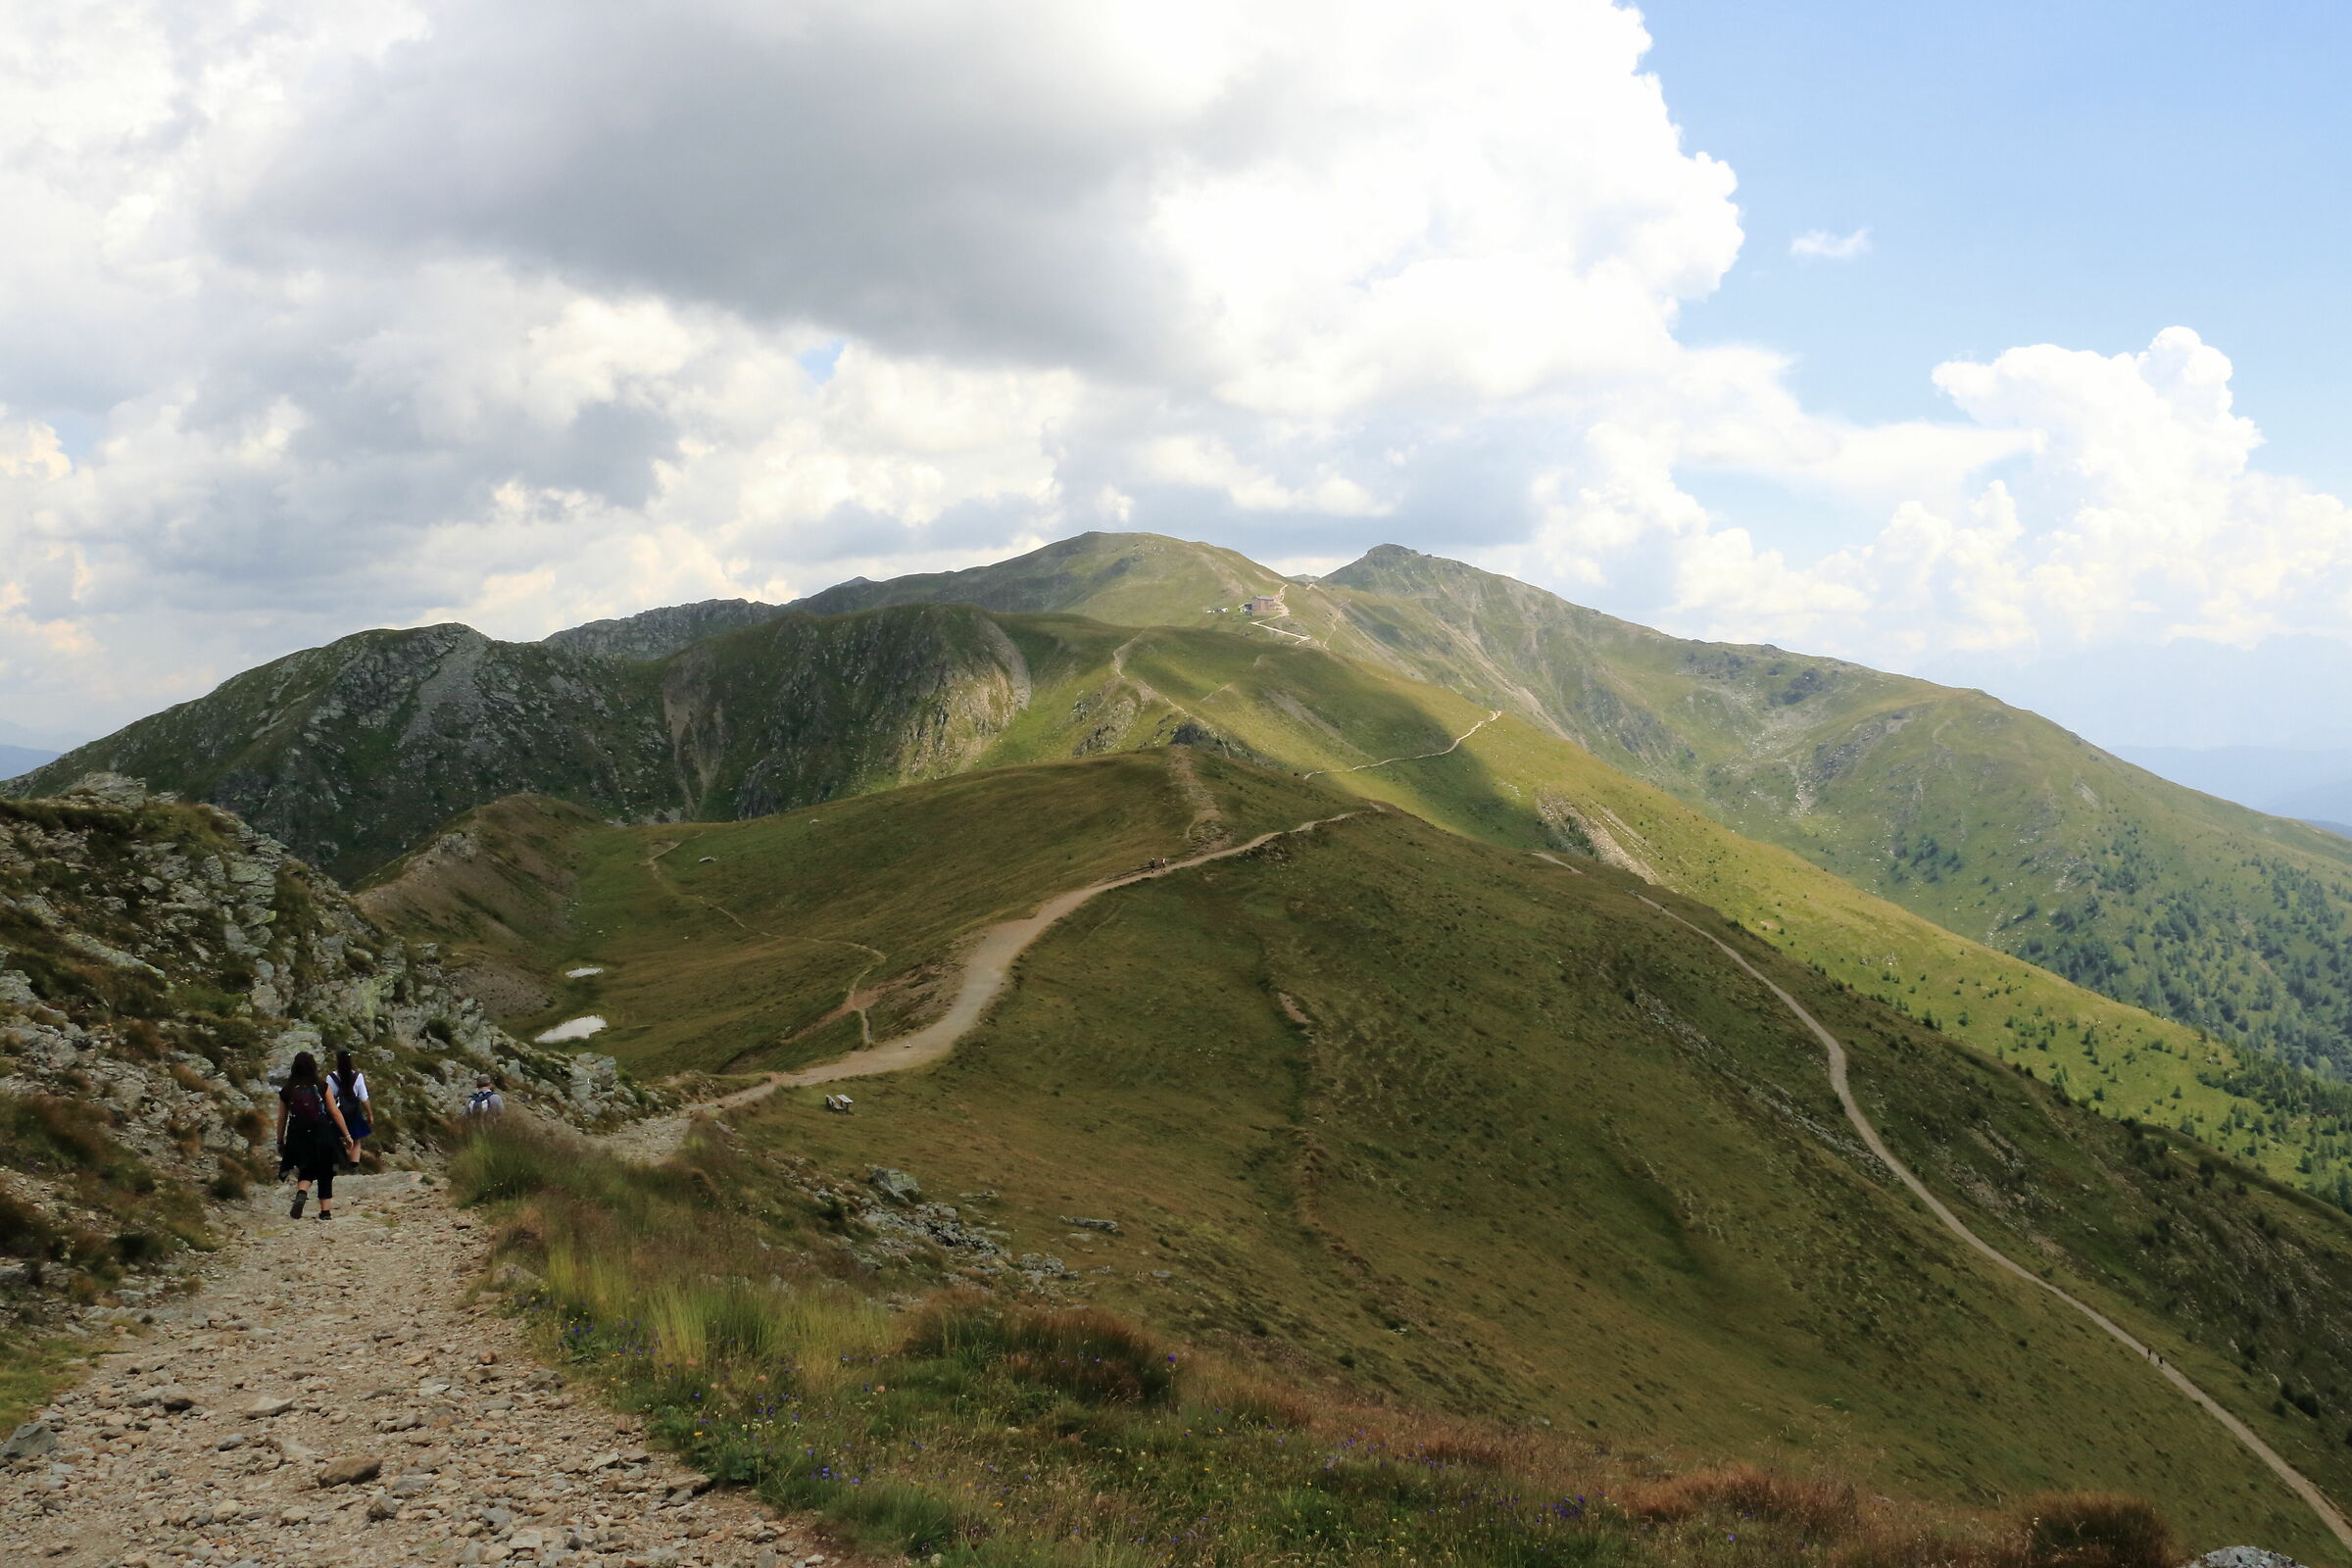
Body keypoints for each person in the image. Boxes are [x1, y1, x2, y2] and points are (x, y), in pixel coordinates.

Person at [276, 1051, 359, 1221]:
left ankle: (302, 1192)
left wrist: (280, 1140)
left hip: (297, 1134)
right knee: (325, 1170)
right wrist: (347, 1134)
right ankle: (325, 1212)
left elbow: (282, 1118)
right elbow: (334, 1112)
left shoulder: (287, 1090)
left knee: (305, 1168)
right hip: (322, 1132)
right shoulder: (322, 1085)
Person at [330, 1050, 372, 1154]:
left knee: (337, 1138)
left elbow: (328, 1098)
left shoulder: (331, 1078)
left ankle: (340, 1161)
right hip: (353, 1113)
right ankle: (354, 1164)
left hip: (337, 1113)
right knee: (356, 1140)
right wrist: (370, 1115)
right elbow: (364, 1098)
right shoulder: (358, 1077)